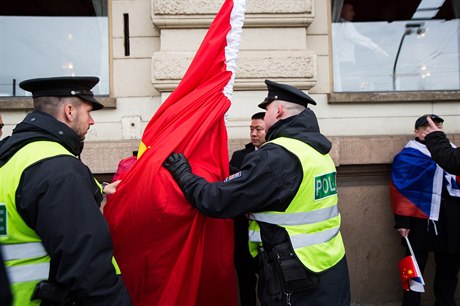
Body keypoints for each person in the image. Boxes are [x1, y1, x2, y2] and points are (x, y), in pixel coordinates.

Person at [163, 79, 351, 306]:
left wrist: (182, 173)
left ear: (278, 111)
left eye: (268, 109)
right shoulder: (316, 151)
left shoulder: (277, 156)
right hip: (330, 268)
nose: (266, 116)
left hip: (295, 277)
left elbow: (216, 200)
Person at [0, 76, 132, 306]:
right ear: (69, 111)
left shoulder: (14, 154)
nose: (91, 121)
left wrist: (95, 189)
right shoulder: (60, 170)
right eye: (89, 111)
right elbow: (89, 270)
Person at [391, 114, 460, 306]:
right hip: (419, 220)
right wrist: (402, 222)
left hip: (449, 221)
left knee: (448, 270)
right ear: (417, 131)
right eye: (427, 128)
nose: (432, 131)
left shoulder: (451, 152)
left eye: (436, 127)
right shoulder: (408, 156)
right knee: (414, 269)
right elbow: (400, 188)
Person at [229, 111, 266, 306]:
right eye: (251, 129)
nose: (253, 133)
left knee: (269, 283)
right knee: (245, 281)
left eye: (258, 129)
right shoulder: (238, 156)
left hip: (267, 233)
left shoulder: (276, 156)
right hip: (242, 231)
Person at [333, 2, 389, 91]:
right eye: (351, 11)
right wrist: (376, 47)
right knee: (351, 89)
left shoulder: (335, 27)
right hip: (347, 64)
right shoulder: (346, 25)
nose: (353, 14)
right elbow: (359, 39)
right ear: (342, 11)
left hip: (339, 65)